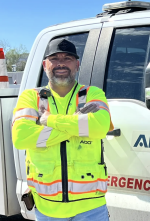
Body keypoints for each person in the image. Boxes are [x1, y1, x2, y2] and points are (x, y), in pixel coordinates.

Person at [12, 38, 114, 221]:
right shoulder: (31, 97)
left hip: (91, 207)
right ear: (45, 65)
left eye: (67, 58)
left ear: (77, 64)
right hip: (47, 207)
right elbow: (22, 138)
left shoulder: (93, 93)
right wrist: (78, 124)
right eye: (55, 58)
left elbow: (99, 128)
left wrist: (49, 120)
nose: (61, 63)